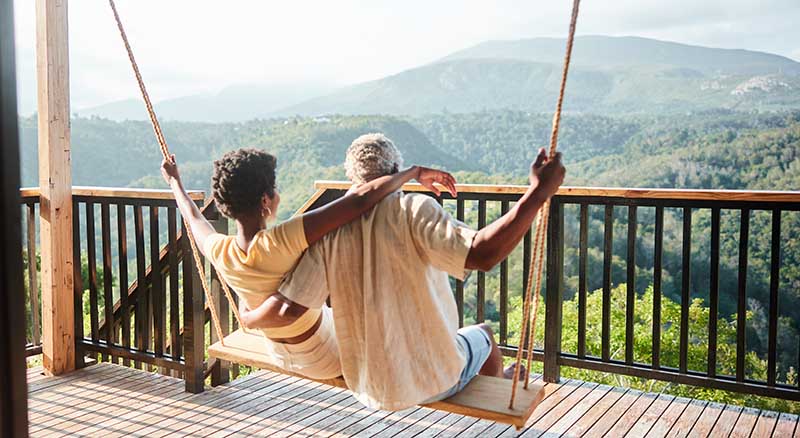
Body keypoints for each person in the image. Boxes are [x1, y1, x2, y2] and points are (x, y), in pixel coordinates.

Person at [244, 133, 565, 410]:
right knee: (485, 336)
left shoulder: (329, 231)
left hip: (369, 382)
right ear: (396, 171)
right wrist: (538, 193)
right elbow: (483, 254)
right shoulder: (414, 210)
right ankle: (495, 393)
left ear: (353, 180)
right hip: (431, 380)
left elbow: (290, 307)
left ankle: (491, 382)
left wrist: (248, 312)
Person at [160, 147, 458, 380]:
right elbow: (357, 203)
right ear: (265, 200)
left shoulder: (221, 250)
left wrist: (175, 183)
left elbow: (193, 216)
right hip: (325, 357)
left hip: (281, 353)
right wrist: (412, 172)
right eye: (274, 191)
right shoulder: (281, 240)